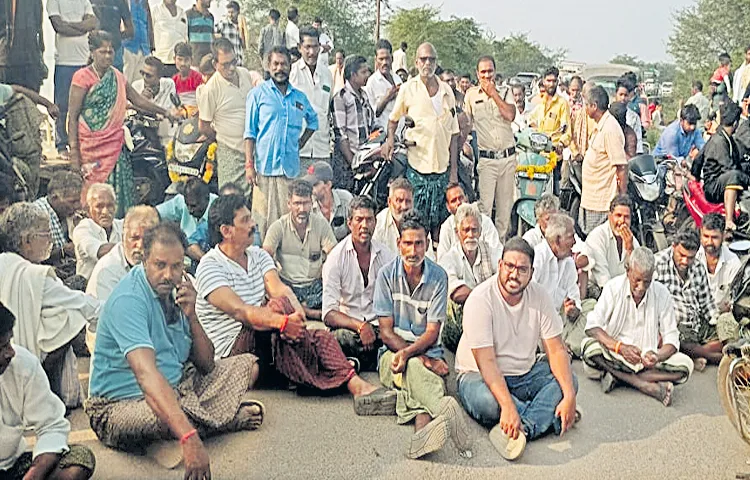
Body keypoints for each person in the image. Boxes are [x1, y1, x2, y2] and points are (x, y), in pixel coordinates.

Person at [85, 222, 263, 480]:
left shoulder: (178, 291)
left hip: (179, 386)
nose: (169, 274)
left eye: (176, 266)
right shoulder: (130, 299)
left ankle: (188, 424)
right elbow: (146, 376)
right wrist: (190, 438)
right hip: (120, 407)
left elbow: (207, 365)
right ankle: (211, 424)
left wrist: (192, 316)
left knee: (247, 366)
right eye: (160, 265)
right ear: (144, 260)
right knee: (162, 415)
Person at [195, 194, 396, 412]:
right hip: (231, 351)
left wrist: (297, 318)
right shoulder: (210, 266)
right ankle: (328, 372)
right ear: (226, 231)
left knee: (320, 336)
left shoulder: (257, 256)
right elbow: (241, 311)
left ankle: (354, 384)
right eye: (245, 220)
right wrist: (283, 322)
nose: (253, 224)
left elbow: (280, 289)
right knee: (277, 310)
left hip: (263, 338)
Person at [455, 237, 578, 461]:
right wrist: (506, 405)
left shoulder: (540, 296)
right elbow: (487, 363)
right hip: (478, 376)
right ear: (500, 266)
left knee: (569, 382)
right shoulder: (480, 299)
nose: (514, 274)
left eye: (522, 269)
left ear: (531, 272)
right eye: (509, 266)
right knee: (489, 405)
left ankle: (524, 427)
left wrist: (569, 396)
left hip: (524, 374)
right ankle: (542, 415)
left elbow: (556, 349)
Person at [374, 212, 472, 459]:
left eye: (419, 243)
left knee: (414, 388)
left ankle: (421, 440)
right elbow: (385, 332)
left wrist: (412, 354)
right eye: (407, 243)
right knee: (419, 373)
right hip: (392, 356)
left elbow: (432, 331)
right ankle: (442, 407)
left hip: (426, 352)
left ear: (427, 244)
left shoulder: (438, 276)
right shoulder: (386, 275)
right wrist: (416, 358)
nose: (413, 250)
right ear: (399, 244)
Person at [0, 202, 101, 408]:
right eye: (46, 234)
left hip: (10, 351)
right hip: (20, 360)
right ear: (27, 241)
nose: (51, 241)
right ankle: (49, 396)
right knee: (68, 316)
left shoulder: (4, 262)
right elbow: (84, 306)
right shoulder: (35, 277)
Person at [69, 31, 174, 218]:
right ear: (92, 52)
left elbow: (139, 101)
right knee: (91, 198)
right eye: (103, 51)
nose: (108, 55)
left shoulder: (117, 76)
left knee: (119, 196)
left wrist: (164, 112)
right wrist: (74, 154)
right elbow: (73, 116)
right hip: (89, 149)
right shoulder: (82, 77)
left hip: (114, 146)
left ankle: (118, 231)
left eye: (111, 51)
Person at [582, 247, 694, 406]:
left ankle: (619, 378)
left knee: (685, 366)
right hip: (616, 354)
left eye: (647, 281)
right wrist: (620, 347)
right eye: (637, 280)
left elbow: (672, 338)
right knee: (589, 347)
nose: (641, 287)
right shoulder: (613, 287)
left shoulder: (661, 293)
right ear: (628, 271)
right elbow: (593, 326)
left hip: (646, 359)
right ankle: (643, 385)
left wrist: (657, 355)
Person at [0, 303, 96, 480]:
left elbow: (51, 426)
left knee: (80, 458)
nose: (10, 353)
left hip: (13, 465)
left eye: (9, 343)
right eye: (2, 347)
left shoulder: (22, 364)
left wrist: (34, 475)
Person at [383, 43, 460, 246]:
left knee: (440, 229)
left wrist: (453, 171)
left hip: (442, 170)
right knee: (416, 226)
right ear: (416, 62)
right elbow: (393, 120)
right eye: (423, 59)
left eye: (431, 59)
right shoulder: (408, 89)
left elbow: (454, 133)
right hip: (417, 169)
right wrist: (390, 139)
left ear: (436, 62)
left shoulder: (446, 91)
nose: (428, 63)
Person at [244, 46, 317, 237]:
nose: (280, 68)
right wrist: (249, 165)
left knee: (287, 221)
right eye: (275, 64)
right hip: (264, 169)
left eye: (284, 64)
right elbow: (250, 133)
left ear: (290, 66)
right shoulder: (257, 95)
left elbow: (313, 122)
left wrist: (300, 142)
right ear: (268, 66)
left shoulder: (298, 97)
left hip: (289, 170)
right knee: (262, 220)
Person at [322, 195, 395, 370]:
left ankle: (355, 362)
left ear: (375, 223)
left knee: (397, 337)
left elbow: (395, 301)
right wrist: (360, 326)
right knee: (332, 340)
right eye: (359, 219)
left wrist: (379, 329)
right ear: (349, 223)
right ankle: (372, 361)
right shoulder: (335, 258)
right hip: (350, 329)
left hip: (379, 328)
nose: (364, 225)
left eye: (369, 220)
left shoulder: (386, 256)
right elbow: (329, 313)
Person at [262, 180, 337, 320]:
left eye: (306, 203)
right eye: (297, 203)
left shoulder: (321, 224)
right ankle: (310, 312)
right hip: (288, 286)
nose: (302, 209)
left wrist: (326, 275)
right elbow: (264, 259)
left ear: (311, 203)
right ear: (289, 204)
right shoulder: (278, 227)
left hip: (315, 286)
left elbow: (335, 256)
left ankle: (303, 309)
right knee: (275, 300)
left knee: (337, 296)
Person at [200, 38, 261, 199]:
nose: (232, 68)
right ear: (215, 64)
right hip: (230, 152)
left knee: (257, 203)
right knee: (232, 202)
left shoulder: (245, 74)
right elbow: (204, 127)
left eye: (234, 61)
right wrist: (223, 138)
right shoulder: (210, 89)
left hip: (254, 150)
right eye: (225, 64)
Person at [654, 226, 720, 370]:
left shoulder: (698, 267)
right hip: (673, 326)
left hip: (695, 323)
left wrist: (717, 322)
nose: (685, 261)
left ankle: (694, 354)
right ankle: (713, 357)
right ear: (673, 247)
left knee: (725, 333)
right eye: (681, 255)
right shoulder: (658, 263)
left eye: (690, 257)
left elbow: (706, 301)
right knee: (677, 339)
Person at [464, 55, 516, 238]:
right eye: (483, 72)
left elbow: (510, 115)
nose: (487, 76)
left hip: (508, 159)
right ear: (477, 74)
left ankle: (500, 249)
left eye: (490, 71)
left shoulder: (505, 91)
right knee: (484, 210)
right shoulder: (471, 95)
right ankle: (485, 248)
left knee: (504, 212)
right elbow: (466, 123)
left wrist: (493, 94)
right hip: (487, 160)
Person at [439, 203, 500, 352]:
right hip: (460, 326)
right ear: (457, 232)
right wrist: (486, 298)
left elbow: (504, 275)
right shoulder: (450, 258)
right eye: (466, 230)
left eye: (474, 230)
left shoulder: (490, 251)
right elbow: (457, 294)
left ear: (480, 231)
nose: (470, 235)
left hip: (489, 316)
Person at [48, 0, 98, 155]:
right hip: (64, 61)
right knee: (62, 106)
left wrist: (70, 25)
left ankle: (82, 142)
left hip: (84, 61)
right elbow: (59, 27)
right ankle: (61, 144)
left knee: (86, 105)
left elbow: (92, 23)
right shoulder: (54, 1)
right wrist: (82, 27)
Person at [692, 101, 748, 231]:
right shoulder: (719, 142)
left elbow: (698, 159)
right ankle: (729, 220)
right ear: (735, 123)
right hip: (713, 187)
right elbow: (728, 169)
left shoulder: (724, 138)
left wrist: (694, 174)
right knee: (734, 176)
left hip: (718, 182)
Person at [580, 85, 628, 234]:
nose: (585, 109)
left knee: (599, 242)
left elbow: (621, 166)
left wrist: (621, 198)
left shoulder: (610, 129)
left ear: (594, 106)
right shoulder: (601, 125)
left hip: (603, 200)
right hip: (592, 197)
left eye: (586, 105)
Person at [87, 205, 159, 303]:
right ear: (123, 237)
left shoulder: (159, 262)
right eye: (134, 238)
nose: (140, 245)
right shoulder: (108, 270)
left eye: (147, 239)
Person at [290, 26, 334, 172]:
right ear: (299, 47)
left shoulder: (327, 74)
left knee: (322, 192)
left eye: (315, 47)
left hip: (322, 149)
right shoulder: (292, 73)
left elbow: (327, 110)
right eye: (307, 47)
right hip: (299, 150)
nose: (312, 52)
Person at [332, 55, 375, 192]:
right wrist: (353, 164)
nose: (367, 75)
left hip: (365, 160)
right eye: (363, 72)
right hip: (347, 162)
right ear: (353, 75)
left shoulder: (364, 96)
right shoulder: (341, 97)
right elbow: (340, 134)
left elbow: (371, 126)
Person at [586, 195, 640, 290]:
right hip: (598, 289)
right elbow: (603, 280)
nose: (622, 221)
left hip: (623, 290)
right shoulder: (597, 237)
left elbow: (639, 274)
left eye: (626, 217)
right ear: (610, 216)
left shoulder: (631, 239)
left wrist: (630, 249)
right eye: (618, 216)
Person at [436, 182, 500, 261]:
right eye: (453, 201)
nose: (458, 203)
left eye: (461, 198)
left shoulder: (485, 222)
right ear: (448, 207)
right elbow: (442, 260)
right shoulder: (446, 227)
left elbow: (497, 255)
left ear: (467, 198)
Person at [72, 183, 123, 279]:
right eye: (99, 206)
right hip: (89, 291)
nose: (105, 212)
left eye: (110, 206)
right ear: (88, 209)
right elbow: (100, 251)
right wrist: (132, 246)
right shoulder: (83, 229)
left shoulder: (121, 226)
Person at [34, 172, 83, 267]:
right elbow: (34, 257)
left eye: (78, 201)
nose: (77, 206)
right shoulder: (37, 214)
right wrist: (63, 251)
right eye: (72, 202)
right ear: (54, 198)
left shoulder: (71, 215)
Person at [696, 213, 742, 315]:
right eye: (706, 236)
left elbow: (735, 299)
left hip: (722, 316)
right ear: (700, 234)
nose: (709, 242)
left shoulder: (733, 263)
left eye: (714, 237)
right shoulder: (692, 257)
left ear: (723, 235)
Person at [373, 178, 433, 255]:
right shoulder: (379, 223)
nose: (404, 206)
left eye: (408, 201)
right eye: (399, 201)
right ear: (389, 202)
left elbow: (429, 257)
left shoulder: (420, 223)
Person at [132, 56, 177, 146]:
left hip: (164, 135)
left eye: (148, 75)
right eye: (142, 73)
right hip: (142, 135)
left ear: (159, 77)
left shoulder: (169, 84)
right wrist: (142, 99)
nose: (144, 77)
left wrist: (146, 104)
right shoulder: (136, 86)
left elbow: (167, 110)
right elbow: (131, 113)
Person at [304, 161, 353, 241]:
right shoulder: (307, 205)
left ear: (328, 185)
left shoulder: (346, 199)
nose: (311, 189)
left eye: (315, 185)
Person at [528, 66, 571, 156]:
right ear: (543, 81)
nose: (551, 84)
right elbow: (530, 120)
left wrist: (561, 143)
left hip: (554, 154)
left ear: (557, 82)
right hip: (538, 153)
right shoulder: (539, 102)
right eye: (548, 81)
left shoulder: (562, 103)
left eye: (554, 81)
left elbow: (567, 130)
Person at [365, 39, 403, 130]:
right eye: (381, 59)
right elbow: (372, 115)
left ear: (392, 59)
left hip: (400, 132)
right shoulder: (372, 82)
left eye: (387, 58)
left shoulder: (397, 79)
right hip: (383, 135)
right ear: (376, 60)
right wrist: (387, 97)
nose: (384, 63)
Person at [90, 0, 134, 72]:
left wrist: (114, 38)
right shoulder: (87, 1)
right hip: (92, 53)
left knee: (115, 79)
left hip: (115, 53)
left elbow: (130, 30)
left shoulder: (120, 2)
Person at [151, 0, 187, 78]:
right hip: (162, 62)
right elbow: (149, 34)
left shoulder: (182, 12)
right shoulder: (155, 10)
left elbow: (185, 37)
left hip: (180, 63)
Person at [122, 0, 154, 84]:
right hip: (128, 47)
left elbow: (149, 25)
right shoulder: (124, 2)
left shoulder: (144, 2)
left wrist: (151, 45)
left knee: (140, 84)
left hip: (144, 49)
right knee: (125, 82)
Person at [613, 76, 644, 154]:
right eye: (620, 94)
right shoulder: (607, 114)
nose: (623, 98)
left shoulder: (634, 118)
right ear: (615, 95)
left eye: (626, 95)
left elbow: (638, 146)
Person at [172, 42, 203, 110]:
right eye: (180, 59)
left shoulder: (198, 77)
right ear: (174, 59)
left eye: (186, 60)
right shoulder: (174, 80)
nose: (183, 63)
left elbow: (203, 100)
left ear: (191, 60)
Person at [214, 1, 246, 67]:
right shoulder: (223, 24)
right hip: (228, 64)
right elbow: (213, 34)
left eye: (233, 12)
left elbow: (243, 45)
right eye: (229, 12)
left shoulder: (241, 26)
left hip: (239, 62)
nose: (230, 15)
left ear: (238, 12)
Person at [186, 0, 214, 66]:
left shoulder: (211, 17)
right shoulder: (188, 14)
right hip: (194, 62)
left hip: (208, 62)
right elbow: (185, 38)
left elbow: (212, 38)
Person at [258, 9, 284, 77]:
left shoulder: (264, 30)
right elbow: (283, 48)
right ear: (278, 19)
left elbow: (260, 48)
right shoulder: (281, 32)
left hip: (267, 63)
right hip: (278, 64)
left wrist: (262, 58)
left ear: (269, 17)